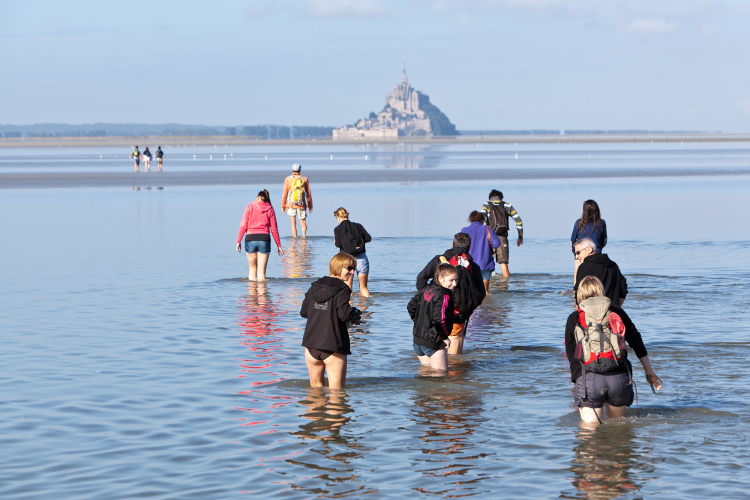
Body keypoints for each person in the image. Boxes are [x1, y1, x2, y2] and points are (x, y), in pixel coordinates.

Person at [565, 276, 662, 424]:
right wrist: (649, 371)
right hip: (619, 378)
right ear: (601, 291)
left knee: (589, 436)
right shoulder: (617, 312)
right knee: (617, 430)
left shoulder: (575, 318)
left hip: (589, 380)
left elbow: (573, 357)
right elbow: (636, 340)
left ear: (579, 294)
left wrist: (578, 383)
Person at [416, 233, 486, 355]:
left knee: (430, 358)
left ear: (452, 245)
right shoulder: (473, 266)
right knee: (455, 361)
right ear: (469, 248)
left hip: (432, 314)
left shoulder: (438, 260)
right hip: (457, 316)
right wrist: (466, 309)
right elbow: (480, 294)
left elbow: (420, 280)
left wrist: (429, 298)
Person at [300, 253, 361, 389]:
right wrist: (353, 314)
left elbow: (304, 312)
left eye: (353, 269)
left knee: (315, 392)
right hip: (333, 345)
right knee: (336, 396)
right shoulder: (343, 288)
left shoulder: (314, 286)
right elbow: (344, 315)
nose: (351, 273)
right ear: (338, 266)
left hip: (311, 346)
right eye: (349, 268)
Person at [407, 263, 458, 371]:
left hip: (418, 341)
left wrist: (419, 323)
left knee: (426, 374)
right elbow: (440, 320)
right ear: (440, 279)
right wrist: (444, 337)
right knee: (440, 379)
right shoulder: (444, 295)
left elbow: (411, 306)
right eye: (451, 280)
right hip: (434, 342)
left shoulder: (425, 289)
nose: (455, 284)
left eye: (456, 280)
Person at [236, 189, 284, 281]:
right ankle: (262, 295)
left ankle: (252, 294)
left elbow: (243, 225)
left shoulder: (249, 207)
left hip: (250, 239)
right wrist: (279, 245)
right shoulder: (270, 209)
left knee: (252, 270)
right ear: (266, 199)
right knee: (261, 273)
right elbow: (274, 229)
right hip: (264, 239)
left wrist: (238, 241)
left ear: (256, 198)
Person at [480, 189, 523, 277]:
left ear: (490, 197)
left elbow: (480, 218)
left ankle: (488, 289)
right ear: (501, 197)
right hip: (502, 238)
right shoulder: (507, 205)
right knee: (504, 266)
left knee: (487, 267)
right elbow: (519, 221)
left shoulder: (487, 204)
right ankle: (505, 288)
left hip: (489, 238)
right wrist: (520, 236)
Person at [574, 238, 627, 306]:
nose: (576, 257)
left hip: (592, 312)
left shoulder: (584, 267)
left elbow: (579, 293)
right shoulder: (613, 265)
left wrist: (579, 312)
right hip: (612, 312)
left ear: (589, 249)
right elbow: (623, 287)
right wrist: (617, 307)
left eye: (578, 253)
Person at [333, 207, 372, 297]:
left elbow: (338, 244)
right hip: (362, 258)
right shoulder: (358, 226)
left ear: (338, 217)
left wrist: (336, 241)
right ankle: (365, 308)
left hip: (347, 260)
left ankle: (349, 309)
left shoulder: (338, 229)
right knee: (363, 288)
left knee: (348, 287)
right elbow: (368, 238)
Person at [461, 210, 500, 293]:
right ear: (482, 220)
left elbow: (460, 246)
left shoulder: (464, 230)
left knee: (471, 291)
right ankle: (486, 306)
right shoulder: (487, 228)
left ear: (470, 220)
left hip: (469, 263)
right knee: (485, 292)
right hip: (485, 263)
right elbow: (496, 244)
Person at [571, 200, 607, 282]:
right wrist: (598, 249)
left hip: (581, 254)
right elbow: (604, 241)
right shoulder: (601, 223)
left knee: (578, 283)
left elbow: (572, 242)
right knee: (596, 281)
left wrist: (576, 253)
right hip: (596, 254)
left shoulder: (578, 223)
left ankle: (576, 290)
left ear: (584, 211)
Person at [281, 163, 312, 238]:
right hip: (302, 204)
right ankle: (304, 237)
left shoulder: (288, 179)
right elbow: (308, 193)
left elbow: (285, 193)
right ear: (300, 170)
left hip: (291, 204)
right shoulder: (304, 179)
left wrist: (283, 205)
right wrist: (310, 206)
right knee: (303, 221)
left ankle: (294, 239)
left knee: (293, 223)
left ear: (292, 170)